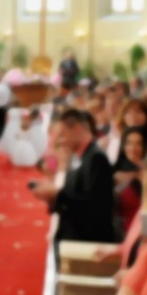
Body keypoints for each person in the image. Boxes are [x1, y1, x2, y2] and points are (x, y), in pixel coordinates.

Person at [31, 109, 117, 260]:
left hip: (86, 241)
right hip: (73, 235)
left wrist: (57, 195)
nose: (61, 141)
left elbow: (96, 205)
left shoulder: (96, 158)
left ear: (76, 128)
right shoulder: (81, 155)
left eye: (63, 134)